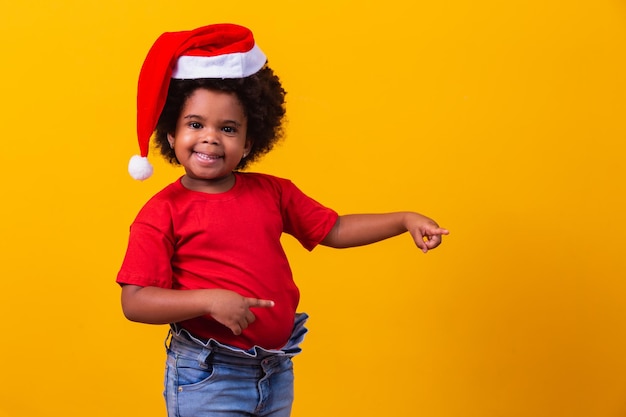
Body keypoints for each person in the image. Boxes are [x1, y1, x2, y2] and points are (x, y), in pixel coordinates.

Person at [117, 23, 449, 417]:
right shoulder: (162, 212)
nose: (210, 138)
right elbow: (135, 302)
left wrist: (404, 220)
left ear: (249, 141)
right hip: (208, 375)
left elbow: (335, 229)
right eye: (195, 124)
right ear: (170, 133)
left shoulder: (273, 192)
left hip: (275, 369)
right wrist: (208, 301)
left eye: (227, 128)